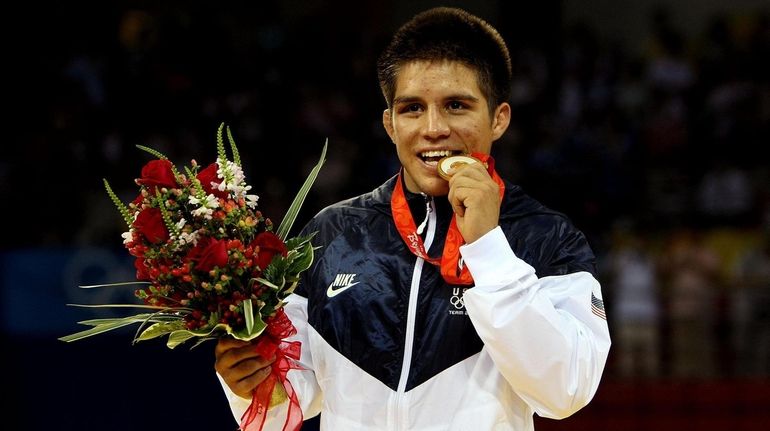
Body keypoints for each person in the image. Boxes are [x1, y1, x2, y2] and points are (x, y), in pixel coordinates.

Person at [215, 7, 611, 430]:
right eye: (412, 109)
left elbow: (566, 390)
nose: (433, 128)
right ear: (389, 123)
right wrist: (247, 378)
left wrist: (488, 247)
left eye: (456, 105)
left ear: (499, 119)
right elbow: (286, 405)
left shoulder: (548, 238)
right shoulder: (331, 234)